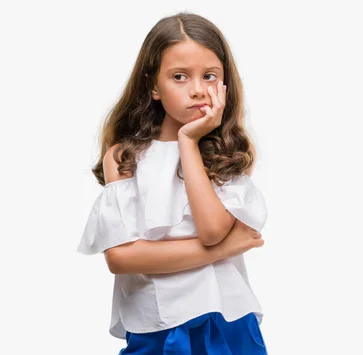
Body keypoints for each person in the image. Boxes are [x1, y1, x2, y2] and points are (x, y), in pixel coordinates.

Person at [76, 12, 269, 354]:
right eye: (179, 77)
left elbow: (211, 229)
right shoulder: (125, 157)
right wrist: (224, 250)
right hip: (157, 324)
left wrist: (188, 142)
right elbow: (121, 257)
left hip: (228, 320)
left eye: (210, 76)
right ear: (153, 86)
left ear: (225, 84)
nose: (197, 90)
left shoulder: (231, 152)